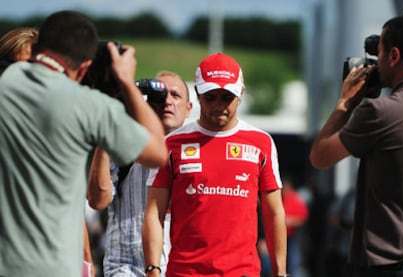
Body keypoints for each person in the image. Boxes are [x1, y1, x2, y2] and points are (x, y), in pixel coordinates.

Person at [0, 10, 167, 277]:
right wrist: (125, 82)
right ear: (86, 67)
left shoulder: (7, 84)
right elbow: (157, 152)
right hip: (54, 267)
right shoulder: (89, 106)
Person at [143, 52, 288, 276]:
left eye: (226, 97)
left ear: (241, 93)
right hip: (185, 272)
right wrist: (152, 269)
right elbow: (154, 211)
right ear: (198, 95)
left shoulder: (262, 142)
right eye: (211, 97)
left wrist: (280, 273)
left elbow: (274, 212)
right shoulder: (172, 143)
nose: (219, 105)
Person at [309, 14, 403, 276]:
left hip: (388, 261)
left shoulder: (381, 112)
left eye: (378, 53)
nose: (375, 62)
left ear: (394, 56)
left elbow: (320, 156)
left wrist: (346, 103)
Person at [91, 70, 192, 276]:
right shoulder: (121, 142)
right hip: (126, 268)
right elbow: (98, 200)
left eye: (176, 95)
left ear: (189, 108)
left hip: (180, 269)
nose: (168, 101)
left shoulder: (200, 150)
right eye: (161, 95)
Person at [281, 177, 308, 277]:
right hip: (281, 236)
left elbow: (303, 218)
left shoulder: (295, 198)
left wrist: (290, 221)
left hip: (293, 236)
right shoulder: (280, 198)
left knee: (293, 262)